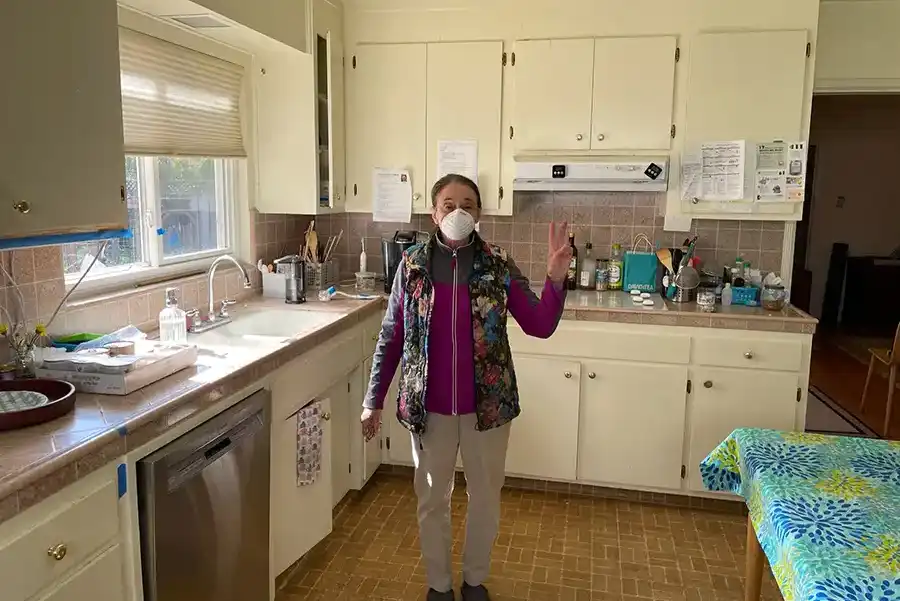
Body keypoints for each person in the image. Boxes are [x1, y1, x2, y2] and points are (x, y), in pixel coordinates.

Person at [361, 173, 572, 601]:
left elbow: (540, 324)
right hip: (429, 408)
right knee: (432, 501)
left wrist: (555, 280)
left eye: (468, 205)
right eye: (448, 204)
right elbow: (392, 335)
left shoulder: (498, 263)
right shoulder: (412, 265)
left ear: (478, 213)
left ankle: (474, 581)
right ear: (433, 212)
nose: (458, 212)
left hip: (488, 411)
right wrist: (373, 399)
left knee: (485, 500)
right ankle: (439, 587)